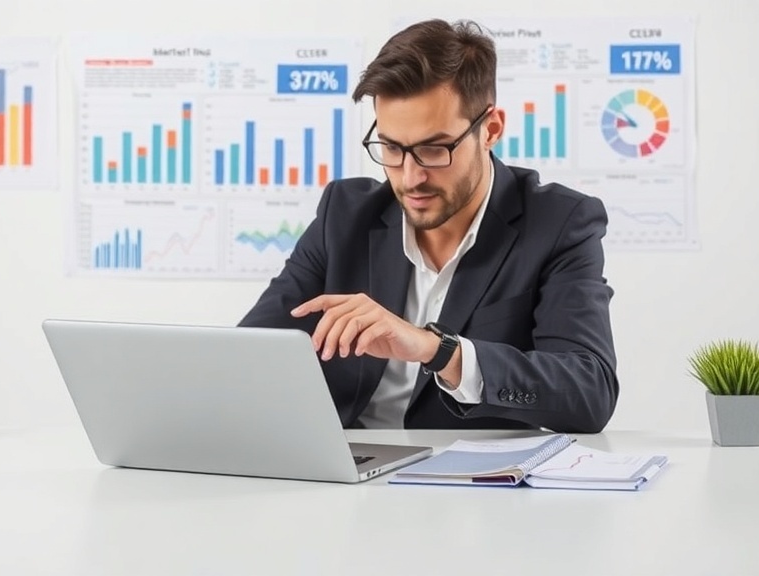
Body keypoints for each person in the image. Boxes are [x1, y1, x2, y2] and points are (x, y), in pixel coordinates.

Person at [238, 19, 618, 433]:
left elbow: (589, 392)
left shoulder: (560, 223)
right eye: (391, 148)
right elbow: (248, 354)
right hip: (345, 471)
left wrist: (438, 351)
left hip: (471, 483)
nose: (410, 176)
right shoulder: (345, 214)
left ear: (490, 130)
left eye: (434, 149)